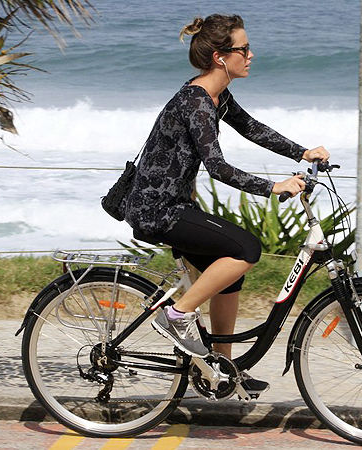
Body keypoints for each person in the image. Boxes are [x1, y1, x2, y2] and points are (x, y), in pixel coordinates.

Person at [122, 14, 329, 396]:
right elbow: (216, 167)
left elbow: (251, 127)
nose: (251, 55)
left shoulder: (215, 95)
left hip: (173, 205)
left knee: (231, 273)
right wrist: (274, 187)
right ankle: (177, 316)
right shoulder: (197, 102)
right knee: (247, 248)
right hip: (159, 210)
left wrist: (302, 152)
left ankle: (222, 368)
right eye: (244, 49)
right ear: (221, 57)